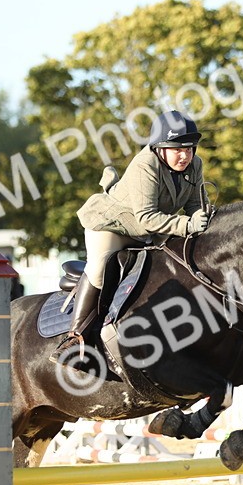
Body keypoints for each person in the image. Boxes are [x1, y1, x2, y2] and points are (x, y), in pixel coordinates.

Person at [50, 110, 210, 366]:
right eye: (177, 149)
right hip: (112, 226)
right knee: (100, 268)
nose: (185, 155)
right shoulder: (144, 165)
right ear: (160, 149)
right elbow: (147, 217)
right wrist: (187, 224)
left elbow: (195, 205)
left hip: (149, 232)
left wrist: (204, 219)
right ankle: (75, 338)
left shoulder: (195, 165)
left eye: (190, 149)